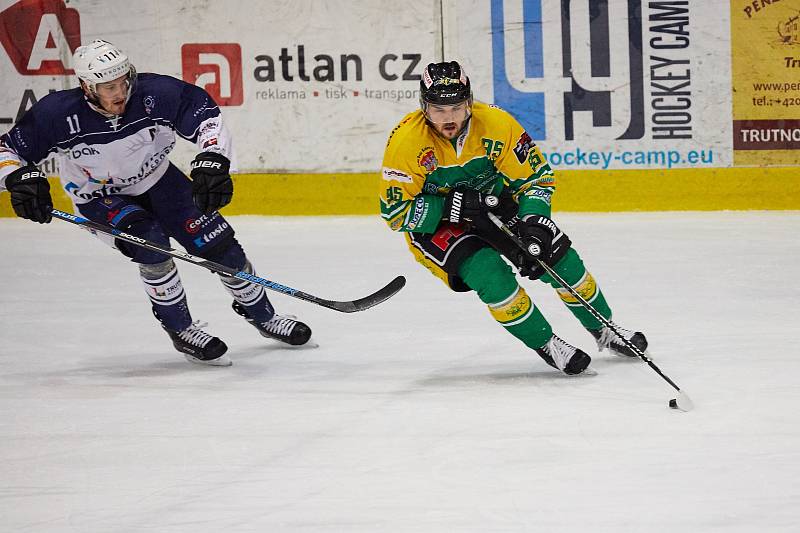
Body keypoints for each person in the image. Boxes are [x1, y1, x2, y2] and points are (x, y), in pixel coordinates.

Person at [0, 39, 311, 366]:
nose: (120, 92)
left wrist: (213, 160)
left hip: (160, 181)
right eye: (109, 87)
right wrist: (18, 178)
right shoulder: (58, 114)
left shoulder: (155, 93)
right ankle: (181, 329)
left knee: (222, 248)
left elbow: (207, 118)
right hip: (99, 197)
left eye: (124, 81)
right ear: (87, 87)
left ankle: (263, 317)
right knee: (152, 247)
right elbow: (7, 150)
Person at [379, 61, 648, 375]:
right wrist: (452, 206)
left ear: (469, 102)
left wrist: (535, 222)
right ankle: (547, 344)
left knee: (558, 258)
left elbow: (536, 179)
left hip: (492, 203)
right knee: (490, 275)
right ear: (424, 107)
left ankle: (605, 328)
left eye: (456, 107)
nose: (449, 118)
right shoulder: (405, 144)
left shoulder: (496, 123)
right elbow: (396, 213)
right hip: (436, 224)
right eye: (439, 109)